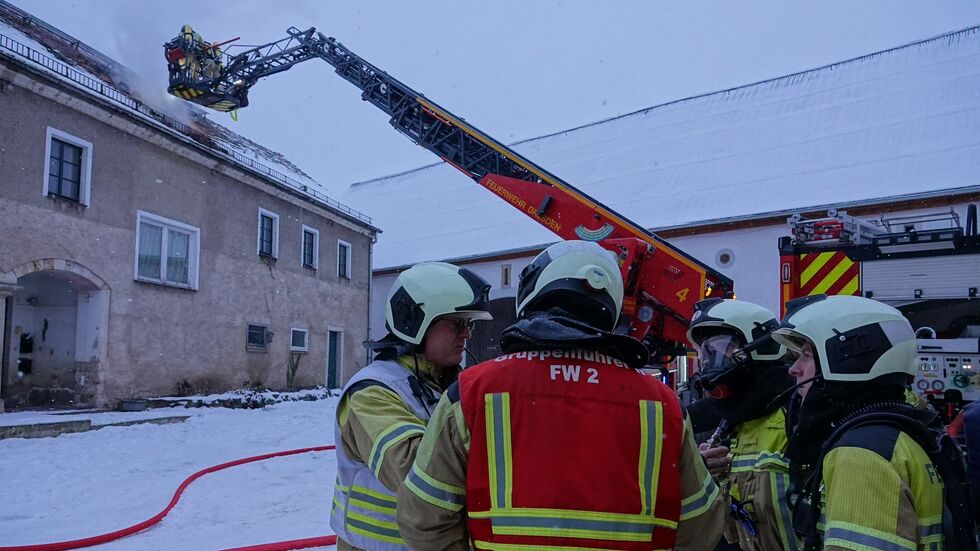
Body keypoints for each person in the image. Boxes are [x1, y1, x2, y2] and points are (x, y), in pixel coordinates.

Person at [396, 240, 724, 551]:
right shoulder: (661, 403)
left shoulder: (473, 391)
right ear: (609, 306)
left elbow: (423, 518)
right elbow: (701, 524)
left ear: (532, 296)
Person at [330, 261, 493, 551]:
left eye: (469, 325)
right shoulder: (372, 392)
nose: (466, 334)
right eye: (457, 324)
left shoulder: (446, 387)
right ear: (415, 322)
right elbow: (413, 471)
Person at [771, 294, 948, 551]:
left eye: (807, 356)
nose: (793, 369)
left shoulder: (861, 455)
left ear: (847, 359)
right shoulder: (901, 433)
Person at [687, 298, 799, 551]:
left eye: (721, 349)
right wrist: (701, 470)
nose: (711, 363)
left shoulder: (798, 412)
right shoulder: (729, 422)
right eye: (707, 353)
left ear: (759, 347)